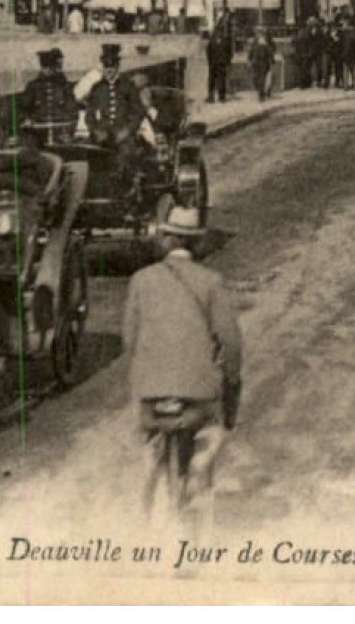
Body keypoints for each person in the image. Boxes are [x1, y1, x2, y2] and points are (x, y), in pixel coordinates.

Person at [122, 206, 243, 523]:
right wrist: (232, 379)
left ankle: (150, 468)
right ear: (197, 244)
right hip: (197, 392)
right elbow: (230, 342)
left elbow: (128, 341)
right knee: (214, 427)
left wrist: (145, 374)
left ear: (165, 240)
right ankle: (199, 469)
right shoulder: (211, 282)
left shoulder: (141, 280)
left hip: (151, 393)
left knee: (150, 434)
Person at [85, 43, 149, 170]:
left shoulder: (128, 86)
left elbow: (138, 113)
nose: (109, 70)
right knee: (87, 155)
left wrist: (127, 131)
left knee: (126, 155)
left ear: (117, 67)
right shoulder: (96, 88)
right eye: (106, 67)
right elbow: (89, 116)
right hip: (101, 134)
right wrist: (96, 131)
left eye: (112, 67)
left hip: (123, 134)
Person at [20, 48, 80, 145]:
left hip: (60, 132)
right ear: (41, 68)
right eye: (45, 68)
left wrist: (68, 131)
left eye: (50, 68)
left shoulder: (63, 86)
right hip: (38, 133)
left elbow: (72, 110)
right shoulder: (33, 86)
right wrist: (27, 120)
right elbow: (24, 108)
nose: (48, 71)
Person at [205, 14, 234, 103]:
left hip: (213, 63)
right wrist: (228, 61)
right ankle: (221, 97)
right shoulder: (225, 41)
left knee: (212, 80)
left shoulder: (212, 41)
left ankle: (211, 97)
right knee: (221, 79)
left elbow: (208, 51)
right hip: (221, 63)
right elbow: (230, 52)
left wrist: (209, 61)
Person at [248, 27, 275, 102]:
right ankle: (261, 93)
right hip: (260, 63)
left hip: (260, 63)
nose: (259, 34)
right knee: (259, 79)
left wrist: (249, 60)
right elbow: (251, 52)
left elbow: (251, 52)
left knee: (261, 79)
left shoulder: (261, 42)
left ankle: (261, 94)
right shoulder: (258, 42)